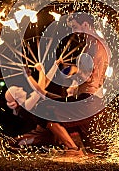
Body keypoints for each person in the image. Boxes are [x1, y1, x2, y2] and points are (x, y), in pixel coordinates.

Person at [36, 12, 110, 156]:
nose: (74, 31)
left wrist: (71, 70)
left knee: (43, 109)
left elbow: (88, 76)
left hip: (88, 100)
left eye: (75, 27)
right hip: (93, 99)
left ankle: (72, 149)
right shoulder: (95, 44)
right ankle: (79, 151)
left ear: (86, 25)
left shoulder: (95, 45)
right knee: (96, 151)